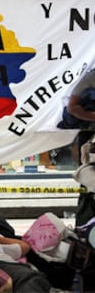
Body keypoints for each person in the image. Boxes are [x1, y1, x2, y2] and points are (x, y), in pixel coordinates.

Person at [67, 68, 95, 226]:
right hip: (91, 139)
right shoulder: (90, 78)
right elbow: (72, 107)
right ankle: (86, 227)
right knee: (89, 186)